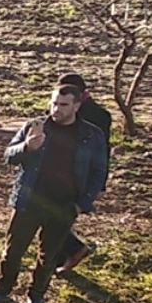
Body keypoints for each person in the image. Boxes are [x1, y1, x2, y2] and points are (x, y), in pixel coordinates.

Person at [0, 85, 109, 303]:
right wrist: (27, 147)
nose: (56, 109)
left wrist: (81, 205)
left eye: (63, 105)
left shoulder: (92, 135)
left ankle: (35, 296)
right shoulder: (34, 127)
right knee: (12, 251)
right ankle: (0, 290)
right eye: (54, 103)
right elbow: (8, 156)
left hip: (64, 205)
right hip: (30, 200)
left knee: (49, 256)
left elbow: (99, 171)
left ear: (77, 106)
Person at [55, 72, 112, 274]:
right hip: (61, 174)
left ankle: (75, 249)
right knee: (57, 217)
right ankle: (59, 260)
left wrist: (99, 185)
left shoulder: (96, 117)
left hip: (76, 178)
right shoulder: (98, 114)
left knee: (51, 217)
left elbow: (102, 152)